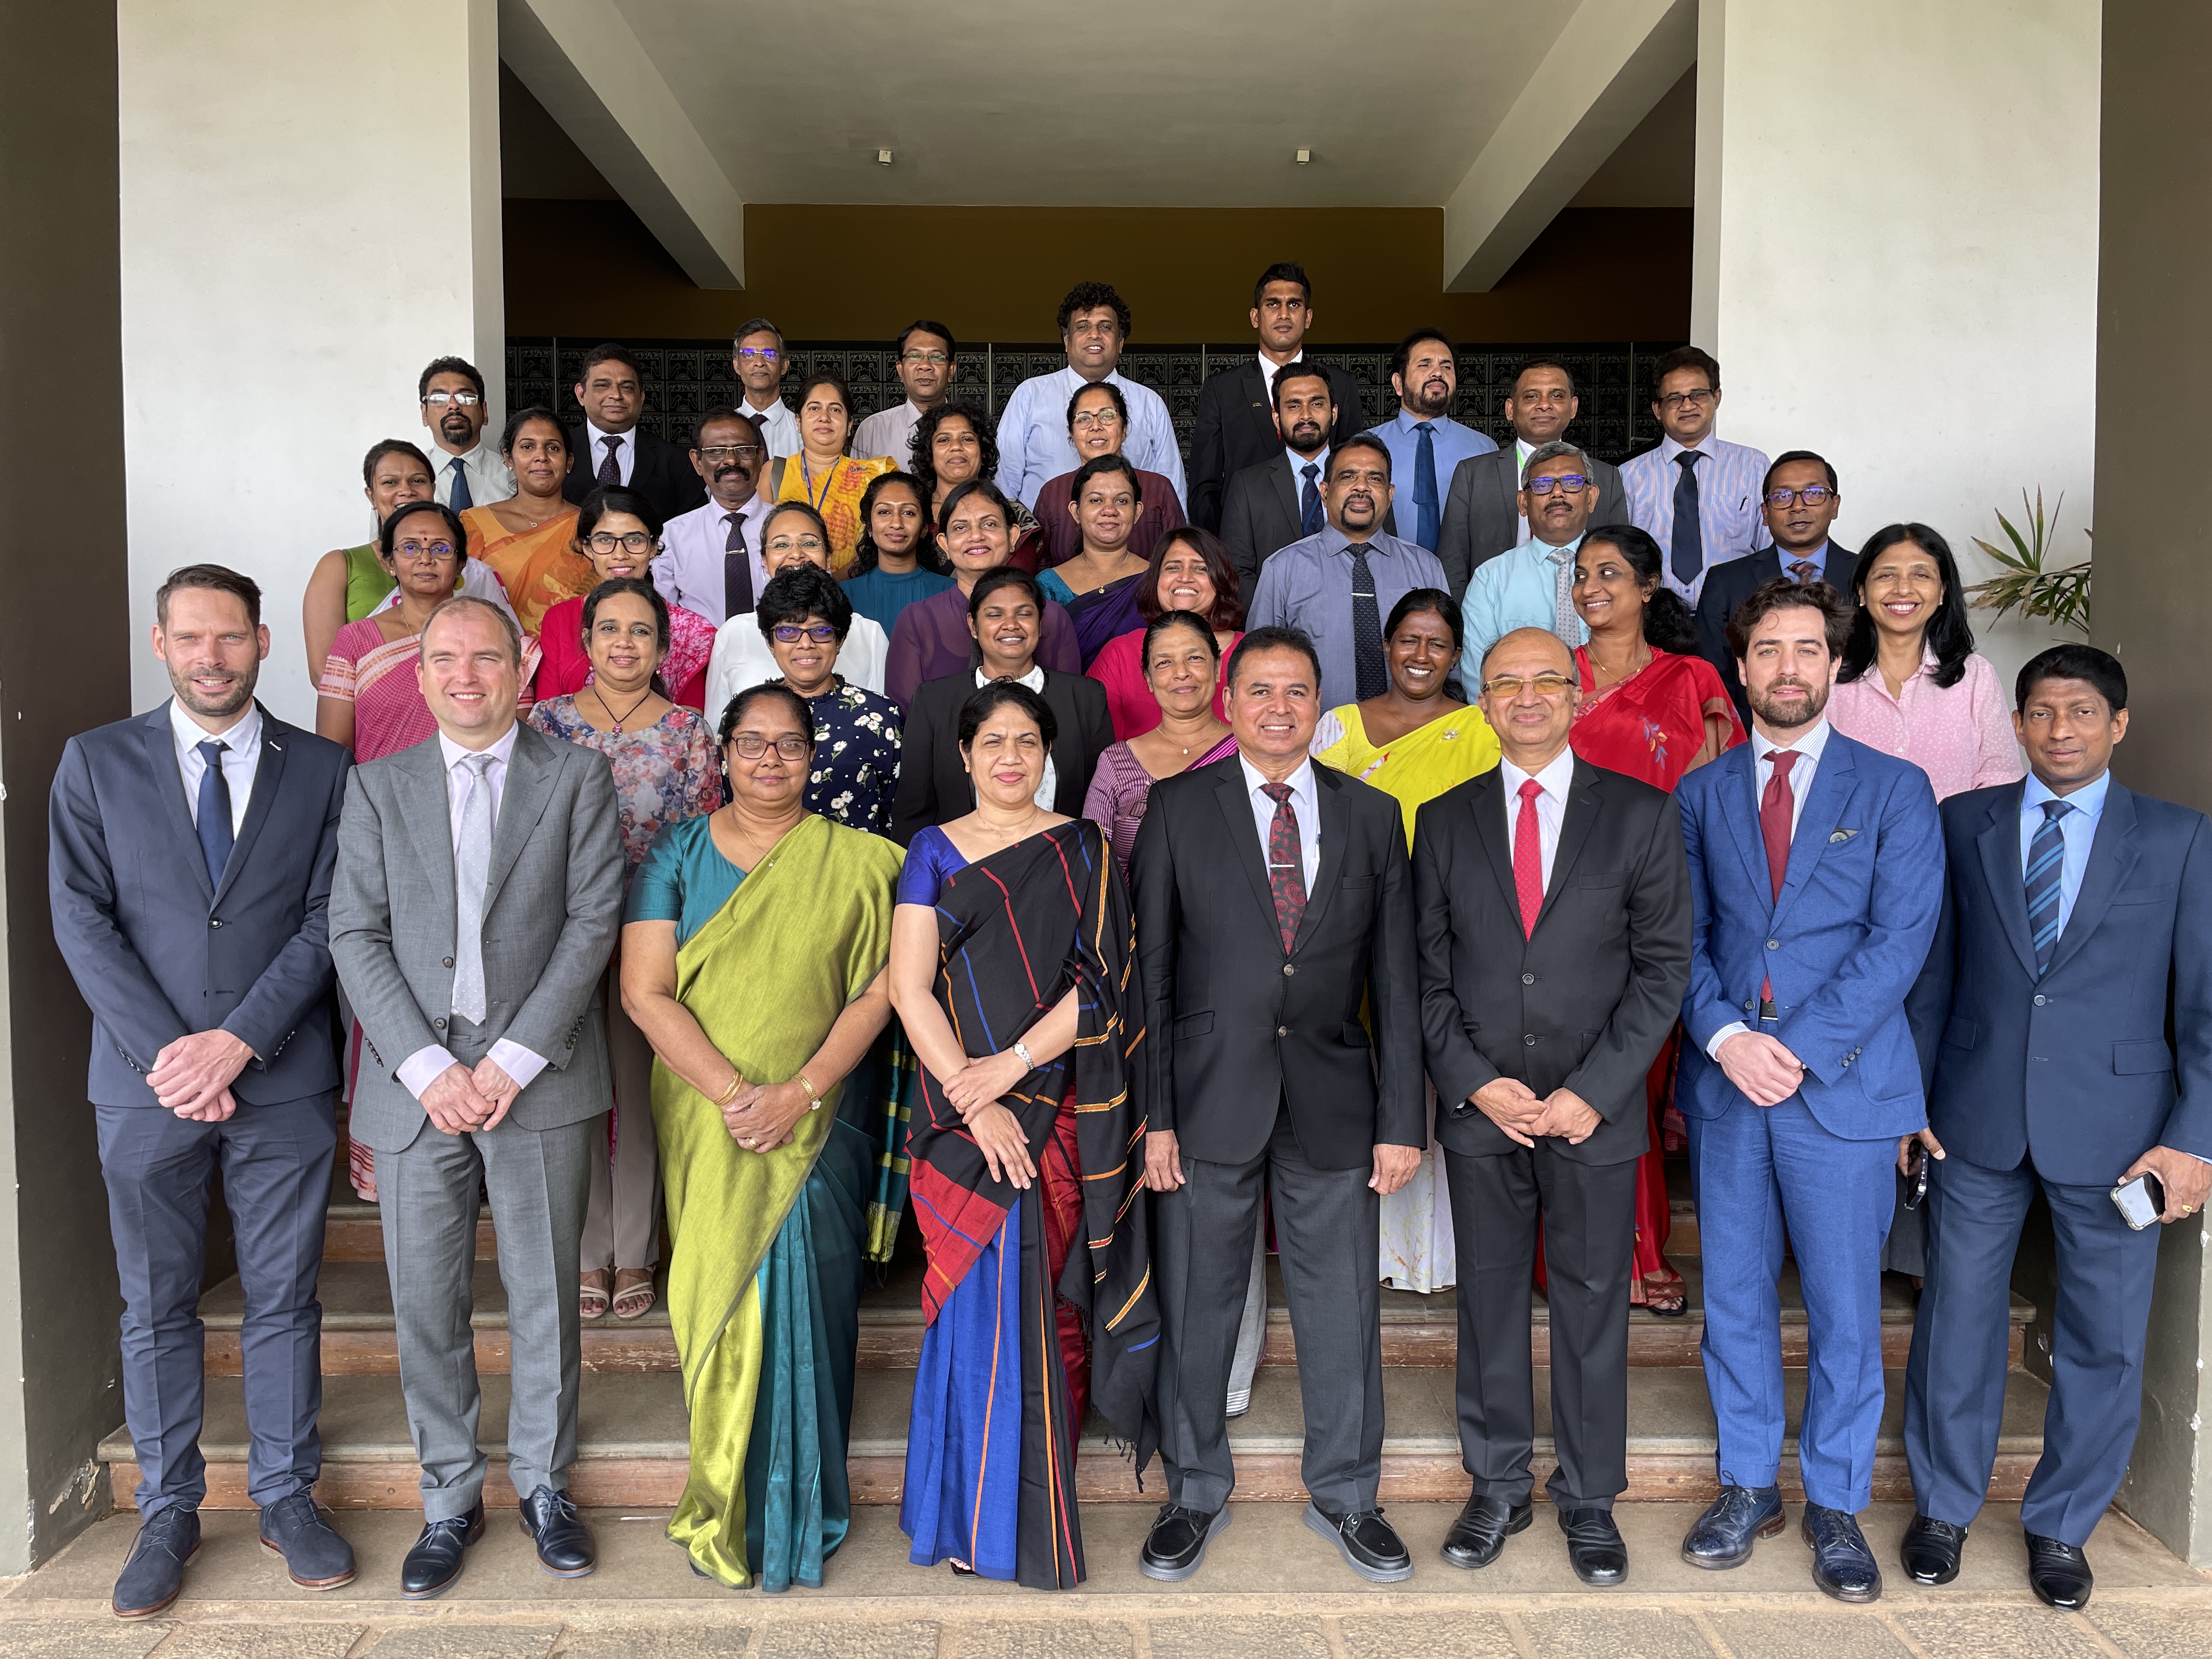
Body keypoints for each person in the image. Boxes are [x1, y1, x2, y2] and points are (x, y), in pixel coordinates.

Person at [50, 566, 356, 1619]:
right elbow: (81, 921)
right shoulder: (94, 762)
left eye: (230, 638)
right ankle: (169, 1505)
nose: (212, 657)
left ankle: (284, 1493)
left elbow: (328, 921)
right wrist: (172, 1055)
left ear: (265, 642)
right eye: (192, 638)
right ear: (160, 642)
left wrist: (237, 1042)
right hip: (144, 1090)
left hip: (281, 1078)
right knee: (155, 1303)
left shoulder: (322, 767)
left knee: (284, 1295)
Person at [1900, 645, 2212, 1613]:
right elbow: (1928, 976)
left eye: (2080, 711)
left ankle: (2060, 1524)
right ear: (2017, 723)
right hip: (1972, 1114)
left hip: (2123, 1130)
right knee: (1955, 1316)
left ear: (2117, 725)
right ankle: (1943, 1507)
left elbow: (2202, 1005)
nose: (2059, 729)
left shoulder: (2178, 839)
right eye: (2040, 711)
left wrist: (2193, 1134)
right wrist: (1907, 1101)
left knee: (2104, 1336)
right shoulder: (1963, 823)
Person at [330, 595, 625, 1599]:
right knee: (426, 1302)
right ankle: (449, 1495)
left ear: (524, 665)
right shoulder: (375, 787)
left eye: (486, 658)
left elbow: (593, 921)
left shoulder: (577, 774)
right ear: (418, 675)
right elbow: (355, 935)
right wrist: (427, 1064)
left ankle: (545, 1484)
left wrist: (507, 1059)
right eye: (444, 659)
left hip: (534, 1076)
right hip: (415, 1085)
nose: (465, 675)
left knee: (545, 1293)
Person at [1131, 628, 1424, 1587]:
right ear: (1231, 696)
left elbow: (1398, 975)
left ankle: (1347, 1490)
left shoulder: (1373, 814)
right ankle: (1192, 1486)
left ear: (1318, 701)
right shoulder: (1176, 806)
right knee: (1200, 1296)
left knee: (1341, 1304)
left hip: (1336, 1094)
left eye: (1296, 690)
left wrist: (1399, 1116)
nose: (1278, 707)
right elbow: (1155, 974)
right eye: (1259, 689)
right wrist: (1157, 1115)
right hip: (1209, 1094)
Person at [1673, 578, 1942, 1604]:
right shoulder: (1700, 794)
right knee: (1735, 1298)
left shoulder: (1894, 788)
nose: (1787, 667)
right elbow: (1678, 939)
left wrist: (1797, 1046)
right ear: (1740, 668)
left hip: (1843, 1087)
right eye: (1767, 651)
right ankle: (1748, 1485)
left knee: (1841, 1306)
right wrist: (1729, 1033)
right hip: (1732, 1085)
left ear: (1836, 664)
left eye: (1806, 649)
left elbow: (1899, 940)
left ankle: (1833, 1500)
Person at [1413, 627, 1691, 1586]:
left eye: (1543, 681)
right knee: (1487, 1303)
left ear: (1576, 695)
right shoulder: (1443, 820)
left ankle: (1587, 1496)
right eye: (1503, 684)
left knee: (1587, 1305)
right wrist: (1473, 1080)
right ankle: (1494, 1484)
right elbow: (1425, 971)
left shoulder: (1644, 815)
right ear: (1481, 704)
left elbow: (1663, 973)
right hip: (1482, 1109)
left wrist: (1591, 1092)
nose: (1524, 697)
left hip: (1593, 1112)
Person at [620, 684, 905, 1589]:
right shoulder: (677, 850)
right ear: (724, 752)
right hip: (707, 1118)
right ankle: (723, 1497)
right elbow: (644, 990)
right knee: (717, 1293)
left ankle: (802, 1502)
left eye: (789, 744)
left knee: (814, 1308)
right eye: (753, 742)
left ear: (814, 757)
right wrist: (740, 1094)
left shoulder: (866, 861)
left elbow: (884, 988)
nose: (770, 759)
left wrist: (801, 1090)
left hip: (822, 1119)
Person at [891, 681, 1156, 1588]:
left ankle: (1015, 1510)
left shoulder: (1083, 846)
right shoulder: (929, 850)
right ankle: (962, 1506)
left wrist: (1008, 1066)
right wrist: (973, 1096)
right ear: (963, 755)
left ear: (1049, 753)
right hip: (960, 1114)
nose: (1010, 754)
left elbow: (1105, 981)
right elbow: (908, 987)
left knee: (1042, 1306)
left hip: (1056, 1101)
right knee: (968, 1301)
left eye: (1027, 739)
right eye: (992, 739)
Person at [1827, 524, 2023, 1281]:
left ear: (1943, 589)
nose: (1902, 587)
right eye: (1886, 573)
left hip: (1951, 897)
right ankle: (1852, 1241)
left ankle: (1913, 1249)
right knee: (1861, 1049)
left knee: (1933, 1052)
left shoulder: (1972, 678)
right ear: (1863, 590)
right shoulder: (1836, 678)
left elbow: (1994, 788)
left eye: (1921, 573)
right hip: (1849, 904)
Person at [528, 576, 722, 1324]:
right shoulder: (544, 724)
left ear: (665, 648)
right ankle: (586, 1250)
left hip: (651, 935)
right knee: (571, 1096)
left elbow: (699, 846)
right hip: (557, 934)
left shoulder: (689, 733)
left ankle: (637, 1247)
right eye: (609, 629)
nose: (624, 645)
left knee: (641, 1099)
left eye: (641, 632)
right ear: (585, 641)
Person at [1565, 526, 1745, 1316]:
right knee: (1591, 1072)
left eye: (1609, 572)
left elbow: (1719, 796)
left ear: (1647, 587)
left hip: (1667, 897)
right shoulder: (1550, 674)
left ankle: (1644, 1247)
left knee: (1638, 1077)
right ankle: (1606, 1253)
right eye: (1581, 574)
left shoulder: (1691, 678)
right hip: (1565, 907)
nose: (1591, 585)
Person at [1311, 591, 1501, 1295]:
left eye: (1437, 644)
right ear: (1386, 647)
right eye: (1408, 641)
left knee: (1434, 1081)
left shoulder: (1482, 730)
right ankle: (1362, 1250)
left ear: (1456, 656)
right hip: (1351, 932)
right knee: (1363, 1083)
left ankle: (1429, 1258)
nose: (1421, 656)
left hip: (1451, 933)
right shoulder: (1339, 726)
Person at [893, 568, 1113, 843]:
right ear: (973, 625)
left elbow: (1100, 804)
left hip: (1064, 870)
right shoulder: (934, 699)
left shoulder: (1085, 697)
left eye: (1024, 613)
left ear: (1041, 623)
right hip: (960, 873)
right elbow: (912, 810)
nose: (1011, 624)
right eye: (995, 615)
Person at [317, 501, 535, 762]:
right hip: (380, 796)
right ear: (390, 563)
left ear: (460, 564)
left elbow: (519, 741)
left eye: (441, 549)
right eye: (410, 547)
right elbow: (333, 749)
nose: (425, 558)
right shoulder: (355, 640)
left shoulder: (498, 636)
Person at [1248, 435, 1447, 710]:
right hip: (1315, 741)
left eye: (1375, 479)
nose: (1362, 487)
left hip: (1412, 740)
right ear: (1325, 492)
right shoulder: (1282, 569)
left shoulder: (1426, 567)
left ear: (1390, 495)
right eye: (1348, 476)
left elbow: (1448, 665)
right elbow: (1259, 669)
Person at [302, 441, 513, 689]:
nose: (406, 491)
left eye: (417, 481)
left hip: (461, 705)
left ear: (433, 489)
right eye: (390, 482)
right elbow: (325, 674)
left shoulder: (470, 571)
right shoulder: (339, 566)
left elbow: (505, 660)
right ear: (371, 495)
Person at [1189, 262, 1363, 534]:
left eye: (1294, 305)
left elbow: (1354, 468)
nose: (1284, 314)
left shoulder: (1342, 384)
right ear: (1255, 317)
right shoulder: (1222, 389)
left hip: (1327, 540)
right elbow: (1205, 486)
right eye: (1273, 304)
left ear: (1308, 317)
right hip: (1246, 549)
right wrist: (1220, 554)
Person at [1436, 357, 1628, 599]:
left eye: (1557, 396)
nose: (1544, 405)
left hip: (1582, 615)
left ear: (1574, 407)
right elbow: (1452, 565)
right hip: (1497, 614)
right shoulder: (1472, 475)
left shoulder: (1605, 477)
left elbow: (1620, 560)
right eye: (1531, 396)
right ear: (1510, 409)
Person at [1696, 451, 1858, 726]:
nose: (1798, 506)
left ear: (1835, 505)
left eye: (1814, 493)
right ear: (1765, 513)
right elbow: (1714, 680)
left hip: (1854, 733)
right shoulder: (1725, 581)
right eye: (1782, 497)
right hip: (1754, 735)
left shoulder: (1866, 575)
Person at [885, 480, 1081, 708]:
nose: (976, 536)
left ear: (1013, 536)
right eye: (960, 527)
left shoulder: (1052, 617)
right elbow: (907, 717)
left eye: (989, 524)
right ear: (944, 544)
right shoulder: (917, 620)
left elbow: (1068, 709)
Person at [995, 281, 1186, 511]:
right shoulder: (1030, 395)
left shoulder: (1149, 403)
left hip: (1134, 540)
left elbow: (1173, 491)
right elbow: (1004, 483)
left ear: (1121, 342)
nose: (1094, 335)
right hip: (1044, 539)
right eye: (1083, 327)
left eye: (1105, 327)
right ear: (1066, 341)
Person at [755, 565, 904, 836]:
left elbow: (898, 813)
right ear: (769, 641)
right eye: (788, 631)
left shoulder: (880, 716)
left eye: (820, 631)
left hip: (857, 871)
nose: (805, 644)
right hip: (764, 868)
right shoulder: (746, 713)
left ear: (840, 639)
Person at [705, 503, 891, 718]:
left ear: (829, 558)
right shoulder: (733, 633)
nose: (796, 554)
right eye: (781, 545)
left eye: (809, 543)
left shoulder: (869, 634)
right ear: (764, 561)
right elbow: (716, 727)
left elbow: (880, 719)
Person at [534, 488, 714, 710]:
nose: (620, 554)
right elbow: (547, 714)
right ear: (588, 547)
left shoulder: (690, 632)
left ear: (653, 546)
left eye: (634, 539)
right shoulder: (561, 618)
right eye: (604, 540)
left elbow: (691, 723)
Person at [1620, 346, 1771, 606]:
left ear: (1717, 398)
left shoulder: (1754, 466)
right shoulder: (1628, 475)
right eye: (1675, 398)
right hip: (1652, 618)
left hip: (1736, 615)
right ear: (1658, 409)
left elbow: (1770, 552)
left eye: (1698, 395)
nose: (1687, 405)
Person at [1460, 442, 1611, 676]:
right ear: (1523, 503)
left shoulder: (1621, 572)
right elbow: (1478, 677)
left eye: (1572, 483)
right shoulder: (1490, 578)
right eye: (1542, 485)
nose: (1558, 493)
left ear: (1591, 498)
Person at [1088, 528, 1245, 741]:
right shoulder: (1120, 654)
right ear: (1156, 580)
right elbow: (1098, 745)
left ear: (1220, 581)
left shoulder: (1252, 655)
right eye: (1173, 567)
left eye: (1200, 569)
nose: (1185, 578)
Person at [1217, 365, 1348, 605]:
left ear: (1334, 413)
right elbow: (1237, 572)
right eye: (1294, 406)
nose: (1306, 415)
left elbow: (1384, 560)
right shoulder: (1247, 486)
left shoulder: (1365, 481)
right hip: (1274, 631)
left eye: (1317, 404)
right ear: (1276, 418)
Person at [1032, 381, 1189, 572]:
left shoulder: (1158, 488)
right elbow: (1040, 567)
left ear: (1124, 430)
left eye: (1108, 416)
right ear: (1072, 435)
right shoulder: (1052, 492)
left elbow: (1180, 559)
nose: (1096, 426)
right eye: (1084, 418)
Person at [1365, 328, 1498, 555]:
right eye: (1425, 364)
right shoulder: (1365, 446)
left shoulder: (1484, 449)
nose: (1438, 372)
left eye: (1447, 366)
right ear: (1398, 383)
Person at [465, 408, 594, 635]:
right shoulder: (475, 523)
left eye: (553, 448)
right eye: (527, 447)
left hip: (570, 658)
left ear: (569, 461)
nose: (541, 456)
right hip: (496, 655)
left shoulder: (592, 527)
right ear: (508, 459)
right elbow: (461, 599)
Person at [652, 408, 776, 627]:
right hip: (701, 659)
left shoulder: (787, 527)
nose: (731, 461)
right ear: (697, 461)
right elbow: (664, 619)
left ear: (760, 457)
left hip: (782, 657)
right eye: (717, 451)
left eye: (743, 450)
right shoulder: (672, 537)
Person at [560, 342, 709, 523]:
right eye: (602, 385)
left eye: (627, 387)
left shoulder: (678, 463)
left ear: (641, 398)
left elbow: (695, 531)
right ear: (581, 394)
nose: (616, 395)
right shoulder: (555, 453)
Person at [766, 371, 895, 574]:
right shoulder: (774, 472)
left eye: (835, 410)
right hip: (787, 593)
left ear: (850, 425)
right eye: (814, 408)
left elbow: (883, 543)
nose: (824, 418)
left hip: (854, 590)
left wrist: (834, 583)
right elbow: (761, 541)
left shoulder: (875, 475)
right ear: (798, 422)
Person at [1036, 454, 1155, 664]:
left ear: (1137, 512)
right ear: (1076, 511)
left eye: (1121, 501)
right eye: (1096, 500)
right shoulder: (1048, 585)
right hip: (1070, 697)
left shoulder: (1158, 581)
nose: (1109, 510)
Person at [912, 402, 1046, 572]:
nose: (956, 447)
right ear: (929, 457)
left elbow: (1018, 577)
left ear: (983, 452)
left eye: (967, 439)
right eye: (944, 440)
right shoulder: (913, 515)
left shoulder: (1013, 513)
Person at [839, 470, 956, 634]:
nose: (896, 523)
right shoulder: (841, 595)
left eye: (908, 513)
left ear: (924, 528)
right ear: (870, 527)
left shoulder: (952, 592)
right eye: (884, 512)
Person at [853, 320, 958, 464]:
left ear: (951, 371)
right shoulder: (872, 430)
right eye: (915, 356)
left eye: (936, 357)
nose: (925, 366)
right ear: (900, 370)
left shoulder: (971, 430)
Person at [419, 356, 514, 512]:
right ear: (424, 413)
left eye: (467, 398)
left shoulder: (512, 476)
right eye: (439, 398)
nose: (454, 405)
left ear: (484, 412)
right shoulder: (406, 481)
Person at [732, 317, 801, 462]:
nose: (759, 363)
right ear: (737, 365)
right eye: (749, 354)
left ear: (784, 365)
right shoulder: (723, 429)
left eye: (769, 355)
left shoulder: (803, 431)